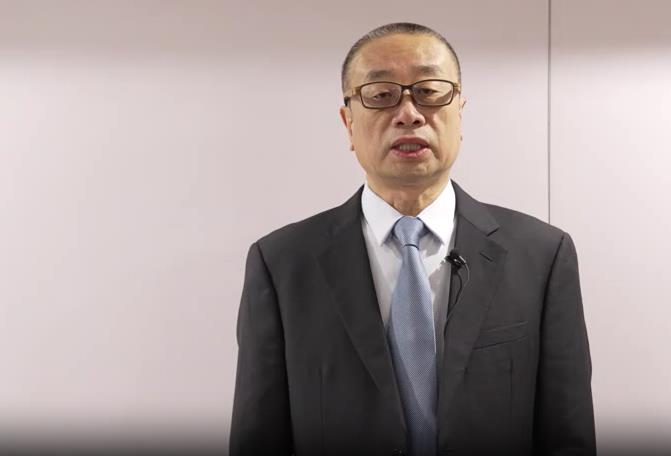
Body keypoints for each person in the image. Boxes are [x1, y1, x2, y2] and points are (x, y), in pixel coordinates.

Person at [230, 22, 595, 456]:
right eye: (381, 94)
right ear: (348, 123)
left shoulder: (542, 256)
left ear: (460, 112)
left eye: (430, 91)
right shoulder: (281, 265)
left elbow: (568, 436)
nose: (409, 113)